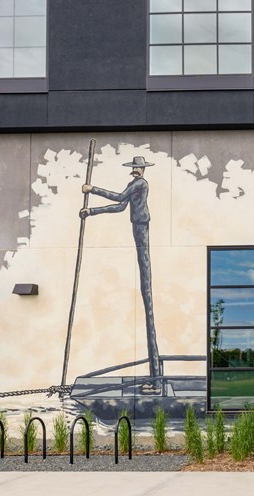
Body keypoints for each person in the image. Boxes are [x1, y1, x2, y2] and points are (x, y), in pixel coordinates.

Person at [80, 156, 162, 393]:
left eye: (138, 167)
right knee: (145, 291)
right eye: (135, 167)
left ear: (141, 169)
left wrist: (92, 189)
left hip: (142, 226)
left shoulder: (140, 184)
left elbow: (117, 198)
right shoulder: (134, 186)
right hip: (136, 225)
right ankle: (155, 379)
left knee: (147, 291)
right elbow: (119, 207)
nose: (136, 170)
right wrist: (91, 211)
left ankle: (156, 381)